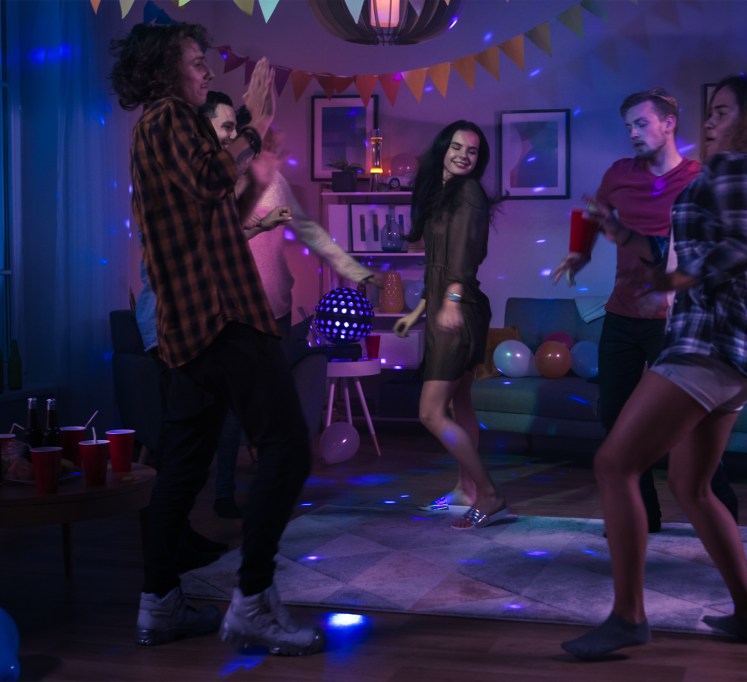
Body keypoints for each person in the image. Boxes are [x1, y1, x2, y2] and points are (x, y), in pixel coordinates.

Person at [561, 73, 747, 659]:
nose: (711, 121)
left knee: (614, 464)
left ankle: (628, 617)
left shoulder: (734, 168)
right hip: (734, 357)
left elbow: (742, 248)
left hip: (706, 346)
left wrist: (678, 279)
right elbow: (684, 249)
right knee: (691, 486)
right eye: (712, 111)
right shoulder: (736, 177)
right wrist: (624, 236)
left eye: (724, 112)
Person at [110, 22, 325, 655]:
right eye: (196, 61)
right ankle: (252, 602)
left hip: (190, 325)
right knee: (287, 448)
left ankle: (158, 606)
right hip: (221, 315)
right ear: (165, 69)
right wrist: (252, 124)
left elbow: (215, 210)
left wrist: (257, 167)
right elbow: (211, 181)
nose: (207, 72)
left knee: (182, 464)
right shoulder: (169, 118)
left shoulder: (160, 129)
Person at [552, 88, 738, 530]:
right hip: (622, 315)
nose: (633, 133)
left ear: (668, 124)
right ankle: (643, 517)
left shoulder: (697, 178)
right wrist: (579, 253)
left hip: (674, 323)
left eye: (641, 123)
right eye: (628, 127)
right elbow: (593, 213)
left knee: (690, 425)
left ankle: (725, 520)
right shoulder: (620, 174)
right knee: (615, 420)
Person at [209, 97, 382, 519]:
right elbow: (215, 242)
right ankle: (224, 494)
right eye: (237, 131)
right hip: (237, 312)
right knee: (234, 409)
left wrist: (353, 269)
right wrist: (257, 224)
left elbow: (309, 231)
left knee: (277, 401)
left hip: (278, 310)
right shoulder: (214, 181)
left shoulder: (275, 180)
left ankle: (272, 491)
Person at [392, 120, 512, 530]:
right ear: (443, 148)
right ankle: (466, 490)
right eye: (457, 147)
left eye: (472, 151)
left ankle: (490, 494)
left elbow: (465, 253)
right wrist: (419, 310)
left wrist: (453, 300)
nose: (464, 155)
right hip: (446, 304)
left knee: (430, 412)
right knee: (460, 403)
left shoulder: (468, 192)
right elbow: (436, 263)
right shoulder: (440, 194)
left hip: (460, 307)